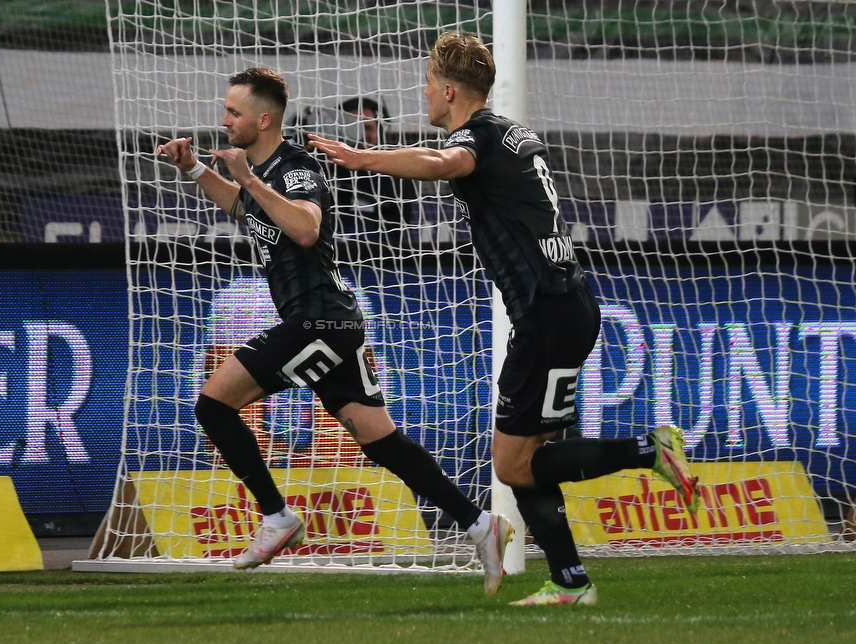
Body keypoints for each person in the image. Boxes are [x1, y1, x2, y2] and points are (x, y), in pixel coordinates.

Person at [309, 32, 700, 606]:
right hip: (566, 304)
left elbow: (447, 162)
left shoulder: (477, 138)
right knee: (531, 460)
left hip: (545, 313)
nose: (423, 95)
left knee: (512, 464)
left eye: (426, 85)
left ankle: (650, 451)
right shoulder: (515, 134)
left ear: (448, 90)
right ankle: (570, 582)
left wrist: (365, 157)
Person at [155, 67, 513, 594]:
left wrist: (249, 180)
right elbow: (244, 206)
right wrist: (193, 170)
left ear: (264, 119)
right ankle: (482, 525)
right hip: (329, 326)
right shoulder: (260, 171)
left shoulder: (296, 167)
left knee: (214, 403)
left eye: (233, 112)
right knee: (382, 442)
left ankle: (276, 515)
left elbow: (304, 227)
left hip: (318, 322)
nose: (224, 120)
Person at [334, 97, 418, 250]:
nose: (360, 136)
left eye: (367, 128)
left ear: (380, 131)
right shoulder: (321, 170)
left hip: (380, 257)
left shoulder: (395, 173)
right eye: (352, 129)